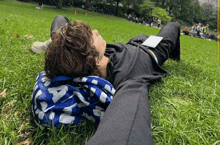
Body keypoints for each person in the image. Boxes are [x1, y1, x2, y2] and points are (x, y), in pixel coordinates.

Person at [31, 15, 180, 145]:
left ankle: (54, 44)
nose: (96, 31)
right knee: (173, 26)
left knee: (59, 19)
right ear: (93, 58)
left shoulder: (89, 58)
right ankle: (175, 57)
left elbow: (59, 20)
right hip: (150, 50)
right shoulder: (129, 77)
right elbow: (125, 131)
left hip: (131, 43)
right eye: (92, 36)